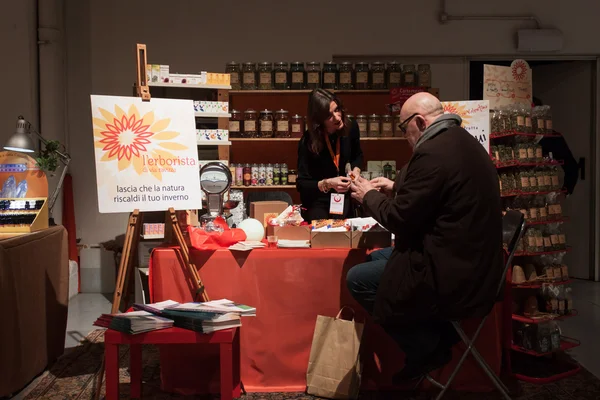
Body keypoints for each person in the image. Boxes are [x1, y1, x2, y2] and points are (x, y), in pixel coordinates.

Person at [346, 92, 503, 383]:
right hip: (474, 263)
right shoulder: (461, 141)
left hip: (456, 275)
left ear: (419, 121)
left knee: (358, 277)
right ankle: (437, 337)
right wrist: (396, 188)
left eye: (404, 129)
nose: (405, 136)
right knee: (381, 257)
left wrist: (367, 195)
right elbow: (440, 198)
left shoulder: (432, 152)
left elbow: (400, 220)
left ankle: (428, 346)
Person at [296, 89, 363, 221]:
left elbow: (358, 155)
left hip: (344, 199)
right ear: (319, 120)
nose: (337, 117)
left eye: (337, 109)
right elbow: (302, 184)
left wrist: (356, 170)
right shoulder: (308, 140)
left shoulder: (351, 127)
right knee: (323, 237)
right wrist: (328, 183)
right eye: (329, 116)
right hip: (318, 202)